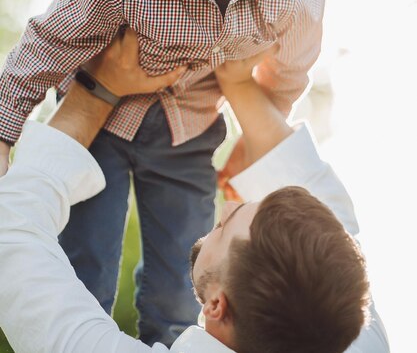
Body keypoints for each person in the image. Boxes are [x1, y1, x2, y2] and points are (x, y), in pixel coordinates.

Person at [0, 0, 325, 346]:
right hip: (100, 126)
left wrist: (256, 136)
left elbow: (290, 70)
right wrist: (4, 131)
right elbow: (46, 45)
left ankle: (173, 339)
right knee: (85, 263)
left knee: (188, 271)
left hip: (189, 134)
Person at [0, 30, 389, 353]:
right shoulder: (350, 335)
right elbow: (330, 222)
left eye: (227, 225)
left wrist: (98, 88)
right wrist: (237, 83)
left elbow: (11, 234)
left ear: (218, 304)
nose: (221, 210)